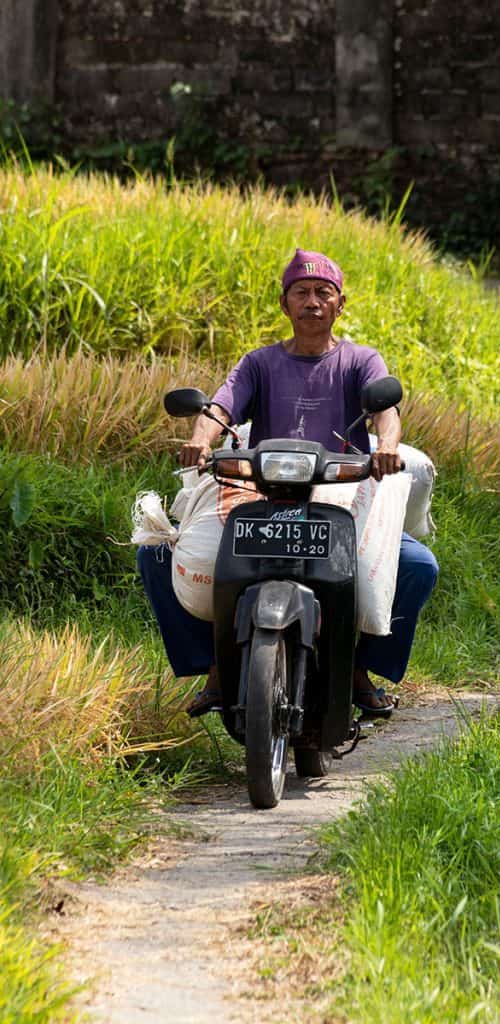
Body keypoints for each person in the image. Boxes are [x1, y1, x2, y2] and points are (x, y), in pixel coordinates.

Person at [137, 248, 438, 718]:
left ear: (341, 304)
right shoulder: (259, 363)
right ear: (285, 305)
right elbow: (221, 406)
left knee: (419, 565)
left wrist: (387, 447)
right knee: (156, 554)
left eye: (324, 292)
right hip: (266, 491)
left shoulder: (360, 359)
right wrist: (199, 439)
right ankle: (215, 664)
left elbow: (387, 411)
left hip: (342, 493)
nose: (313, 301)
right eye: (301, 292)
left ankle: (360, 667)